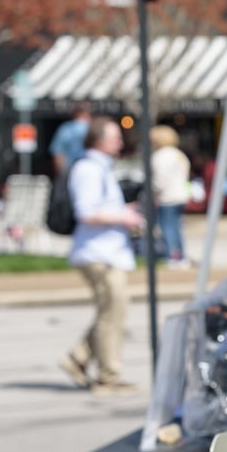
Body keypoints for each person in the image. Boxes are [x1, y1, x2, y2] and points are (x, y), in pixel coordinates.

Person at [59, 117, 143, 396]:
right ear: (99, 140)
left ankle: (79, 357)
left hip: (109, 251)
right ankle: (108, 377)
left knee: (111, 311)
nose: (120, 142)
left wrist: (125, 210)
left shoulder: (100, 168)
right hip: (99, 253)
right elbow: (86, 211)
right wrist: (124, 216)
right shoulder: (88, 169)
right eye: (115, 137)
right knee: (113, 314)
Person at [149, 124, 192, 268]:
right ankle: (180, 256)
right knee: (177, 227)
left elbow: (159, 181)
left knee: (167, 228)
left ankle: (172, 257)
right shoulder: (179, 154)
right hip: (180, 195)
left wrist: (154, 193)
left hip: (167, 197)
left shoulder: (159, 156)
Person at [49, 102, 92, 178]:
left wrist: (61, 175)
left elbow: (57, 154)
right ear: (88, 114)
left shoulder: (65, 129)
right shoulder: (92, 128)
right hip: (89, 170)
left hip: (69, 171)